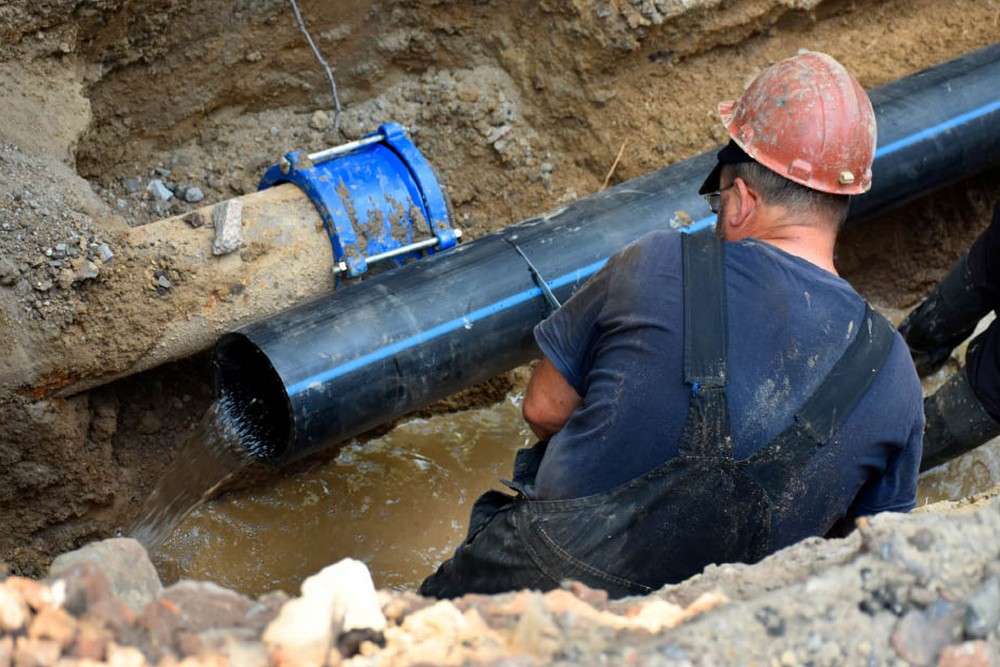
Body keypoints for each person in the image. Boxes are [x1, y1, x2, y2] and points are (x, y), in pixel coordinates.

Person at [418, 51, 924, 600]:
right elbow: (871, 547)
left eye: (717, 200)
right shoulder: (893, 370)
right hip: (712, 629)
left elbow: (543, 409)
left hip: (538, 588)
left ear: (741, 201)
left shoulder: (655, 263)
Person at [898, 197, 1000, 471]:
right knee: (922, 331)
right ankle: (908, 361)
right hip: (994, 257)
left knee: (920, 439)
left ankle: (892, 460)